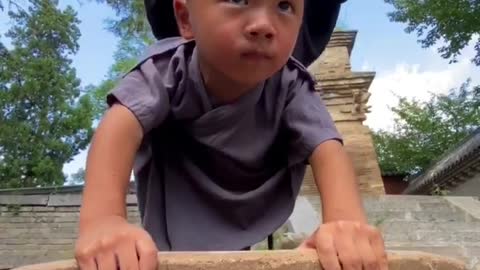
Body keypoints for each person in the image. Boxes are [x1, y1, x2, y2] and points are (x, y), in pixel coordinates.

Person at [75, 1, 389, 270]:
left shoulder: (291, 83)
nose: (264, 25)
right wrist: (103, 222)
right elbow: (118, 127)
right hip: (179, 182)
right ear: (185, 19)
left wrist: (345, 224)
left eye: (284, 5)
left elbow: (327, 149)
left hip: (247, 193)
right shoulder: (165, 70)